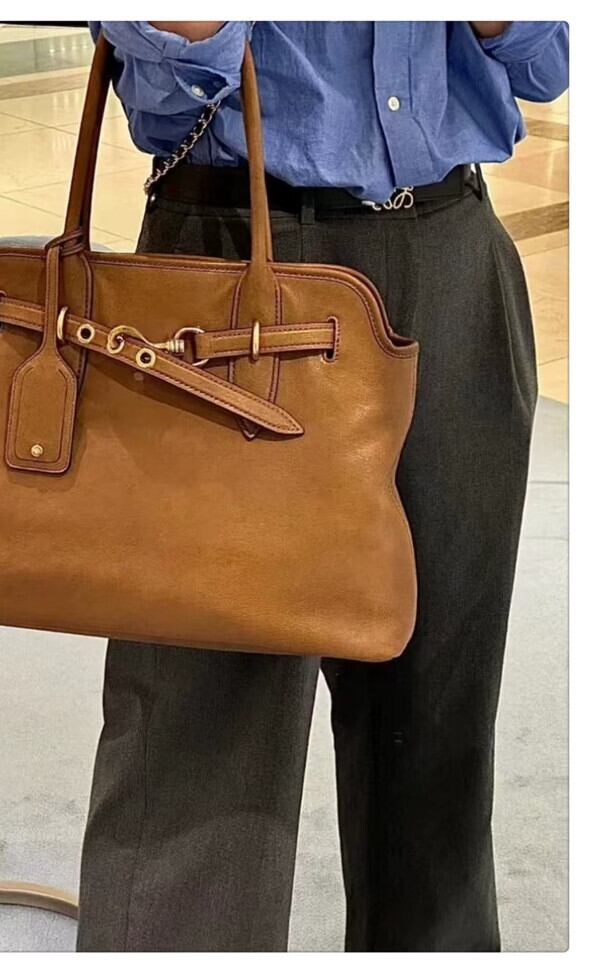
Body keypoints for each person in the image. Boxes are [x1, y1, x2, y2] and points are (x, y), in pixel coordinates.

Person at [76, 21, 569, 952]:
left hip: (455, 251)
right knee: (200, 739)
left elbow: (547, 58)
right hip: (233, 264)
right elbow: (174, 69)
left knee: (437, 735)